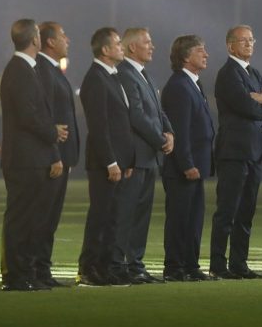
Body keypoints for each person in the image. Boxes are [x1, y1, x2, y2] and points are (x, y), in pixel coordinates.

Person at [0, 19, 68, 292]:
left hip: (33, 158)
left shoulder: (27, 69)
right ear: (35, 39)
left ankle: (28, 272)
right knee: (21, 219)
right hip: (23, 160)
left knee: (32, 219)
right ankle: (16, 275)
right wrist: (52, 133)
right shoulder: (19, 69)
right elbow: (29, 115)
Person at [209, 24, 262, 279]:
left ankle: (239, 263)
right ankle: (218, 265)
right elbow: (245, 107)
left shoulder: (254, 73)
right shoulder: (228, 73)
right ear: (230, 46)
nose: (250, 44)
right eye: (244, 40)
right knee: (227, 210)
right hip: (234, 151)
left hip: (254, 152)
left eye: (252, 39)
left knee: (246, 212)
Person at [116, 28, 174, 284]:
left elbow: (157, 111)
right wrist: (161, 139)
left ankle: (136, 264)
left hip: (149, 157)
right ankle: (122, 265)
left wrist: (169, 131)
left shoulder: (143, 74)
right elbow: (137, 115)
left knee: (142, 216)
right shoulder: (126, 74)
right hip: (136, 156)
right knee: (127, 213)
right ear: (131, 48)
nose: (152, 47)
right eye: (147, 43)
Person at [78, 27, 135, 286]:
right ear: (105, 50)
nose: (122, 46)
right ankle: (89, 269)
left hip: (118, 163)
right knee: (100, 217)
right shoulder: (95, 78)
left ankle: (104, 267)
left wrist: (127, 161)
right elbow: (99, 126)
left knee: (112, 217)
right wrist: (111, 161)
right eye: (117, 43)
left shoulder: (112, 76)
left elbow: (120, 124)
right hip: (104, 163)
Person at [160, 35, 216, 281]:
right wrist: (187, 164)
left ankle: (191, 265)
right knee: (180, 219)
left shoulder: (193, 83)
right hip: (183, 168)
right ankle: (175, 267)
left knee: (193, 219)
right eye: (200, 50)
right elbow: (179, 130)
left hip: (196, 165)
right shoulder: (178, 86)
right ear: (185, 56)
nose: (206, 54)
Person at [35, 21, 81, 286]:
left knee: (50, 219)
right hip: (52, 157)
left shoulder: (52, 70)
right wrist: (55, 154)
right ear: (50, 42)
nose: (68, 40)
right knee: (42, 217)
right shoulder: (42, 70)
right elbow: (47, 116)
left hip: (62, 156)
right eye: (63, 36)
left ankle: (42, 269)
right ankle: (35, 269)